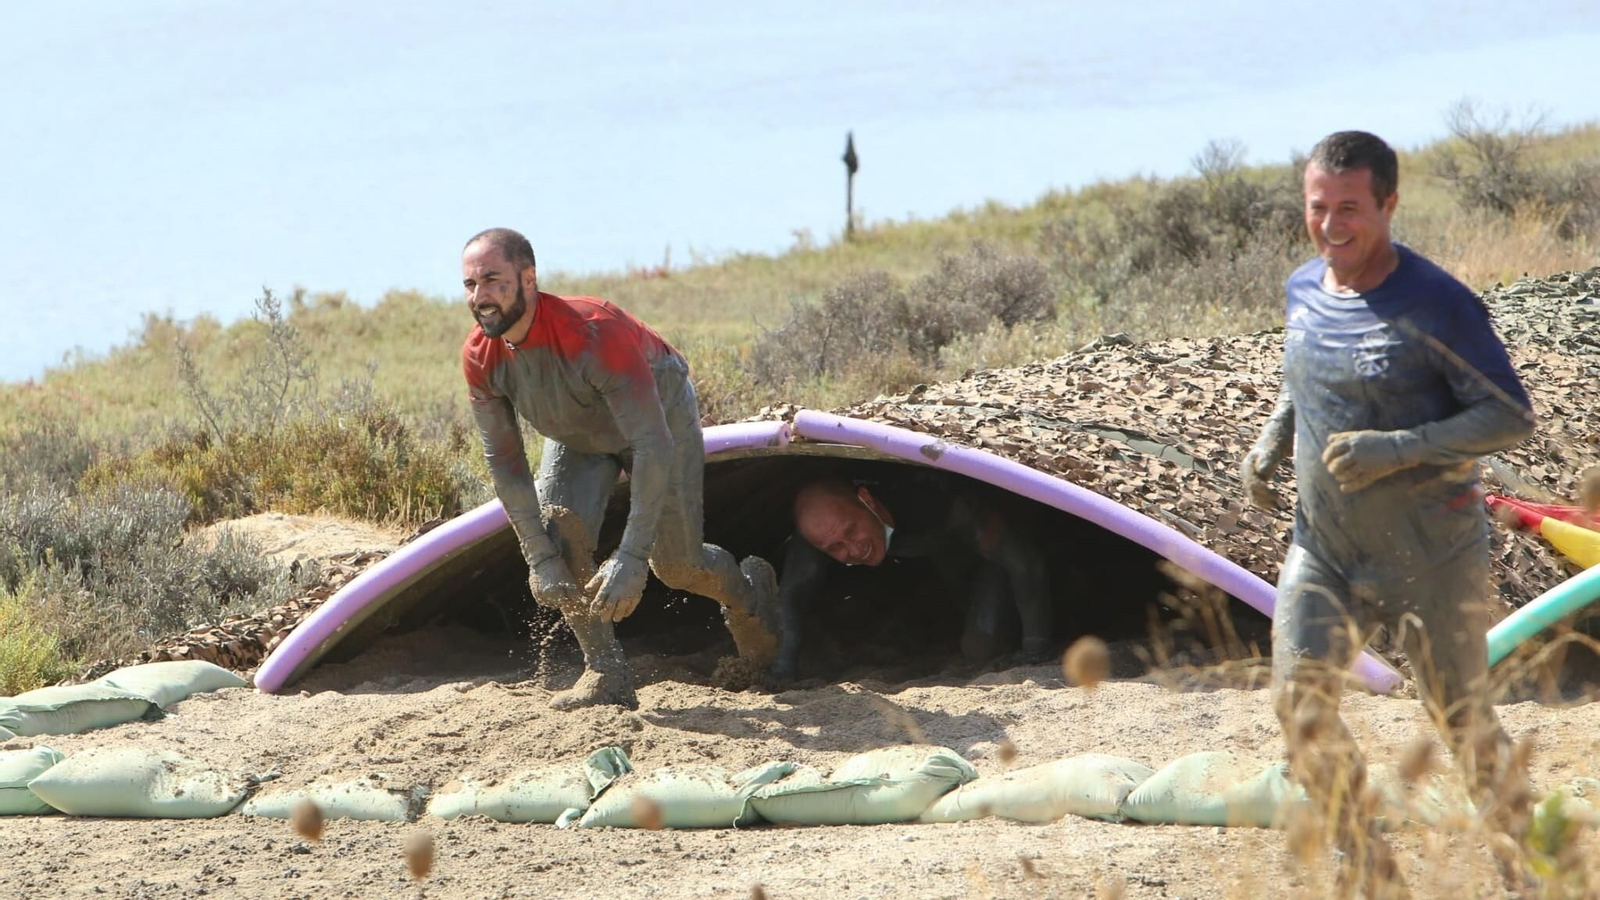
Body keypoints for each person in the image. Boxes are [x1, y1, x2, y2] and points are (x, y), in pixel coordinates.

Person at [1240, 132, 1537, 896]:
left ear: (1389, 205)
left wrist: (1399, 448)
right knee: (1299, 706)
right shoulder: (1303, 288)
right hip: (1325, 548)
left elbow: (1509, 415)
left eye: (1349, 208)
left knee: (1460, 718)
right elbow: (1301, 374)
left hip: (1432, 557)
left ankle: (1533, 867)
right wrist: (1273, 438)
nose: (1330, 224)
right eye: (1318, 207)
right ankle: (1367, 866)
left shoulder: (1437, 303)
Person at [460, 228, 780, 710]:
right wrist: (539, 557)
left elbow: (652, 445)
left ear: (528, 278)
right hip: (579, 434)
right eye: (469, 284)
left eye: (491, 280)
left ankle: (752, 597)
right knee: (559, 533)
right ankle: (605, 673)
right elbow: (504, 462)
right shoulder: (480, 356)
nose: (479, 297)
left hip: (658, 422)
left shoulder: (593, 332)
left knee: (677, 566)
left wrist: (631, 558)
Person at [769, 471, 1052, 682]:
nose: (854, 549)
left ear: (867, 500)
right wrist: (783, 668)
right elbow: (791, 594)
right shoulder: (820, 533)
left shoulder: (937, 499)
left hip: (985, 555)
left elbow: (1025, 563)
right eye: (835, 548)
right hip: (944, 563)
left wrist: (1035, 649)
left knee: (980, 646)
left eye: (851, 530)